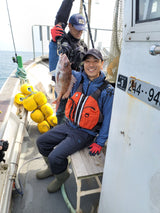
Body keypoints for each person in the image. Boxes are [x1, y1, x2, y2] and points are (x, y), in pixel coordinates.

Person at [36, 48, 114, 193]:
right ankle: (53, 169)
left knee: (56, 155)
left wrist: (100, 142)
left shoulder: (107, 90)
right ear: (83, 64)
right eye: (87, 61)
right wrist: (56, 45)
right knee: (41, 142)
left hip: (85, 133)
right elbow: (59, 69)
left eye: (95, 61)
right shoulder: (76, 77)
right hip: (69, 124)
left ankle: (62, 176)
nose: (91, 65)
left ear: (102, 64)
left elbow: (109, 118)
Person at [49, 0, 88, 124]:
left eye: (82, 29)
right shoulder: (63, 39)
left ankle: (71, 129)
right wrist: (54, 40)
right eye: (77, 29)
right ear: (70, 26)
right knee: (61, 110)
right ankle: (60, 131)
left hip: (77, 83)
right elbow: (59, 24)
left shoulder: (83, 44)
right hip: (64, 81)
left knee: (75, 111)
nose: (79, 32)